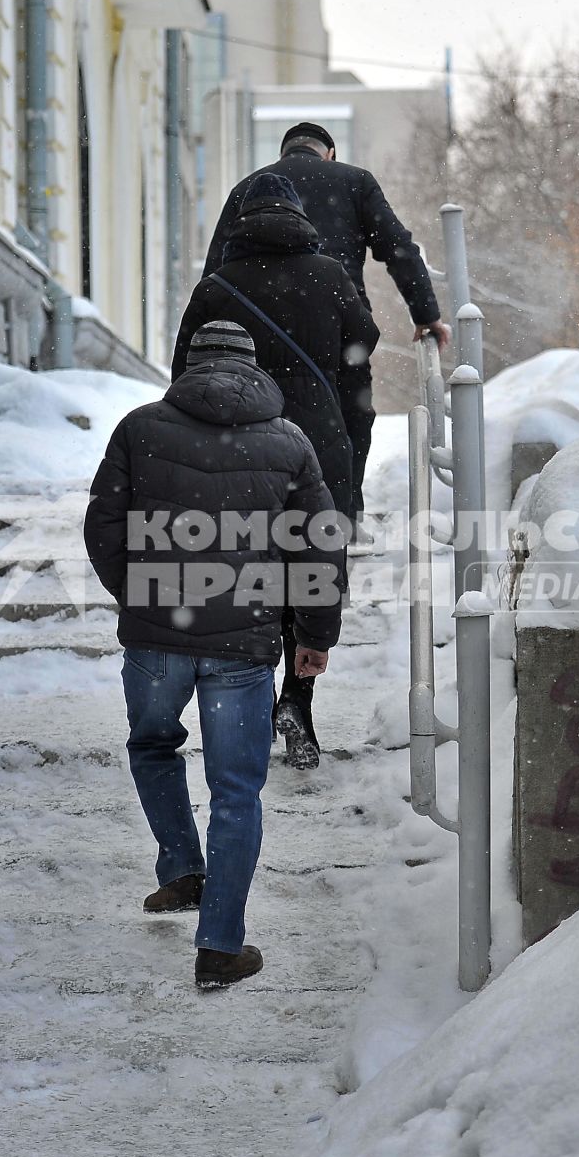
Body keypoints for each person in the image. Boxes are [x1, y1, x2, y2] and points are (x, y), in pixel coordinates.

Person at [83, 320, 347, 988]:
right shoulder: (289, 443)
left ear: (187, 367)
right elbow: (317, 546)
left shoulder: (139, 428)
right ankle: (220, 942)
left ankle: (180, 866)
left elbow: (103, 526)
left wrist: (139, 595)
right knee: (237, 791)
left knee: (151, 745)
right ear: (255, 371)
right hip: (243, 643)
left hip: (155, 639)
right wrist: (314, 636)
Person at [176, 173, 375, 771]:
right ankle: (299, 699)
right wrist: (352, 460)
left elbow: (186, 380)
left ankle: (254, 697)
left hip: (238, 450)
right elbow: (359, 368)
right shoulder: (333, 277)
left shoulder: (218, 286)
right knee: (311, 566)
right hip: (320, 444)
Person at [205, 120, 450, 512]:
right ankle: (343, 510)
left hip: (257, 331)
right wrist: (425, 314)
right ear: (330, 152)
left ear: (284, 153)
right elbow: (399, 249)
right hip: (339, 325)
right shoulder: (355, 181)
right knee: (349, 417)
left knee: (261, 418)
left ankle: (265, 509)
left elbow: (214, 272)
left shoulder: (250, 187)